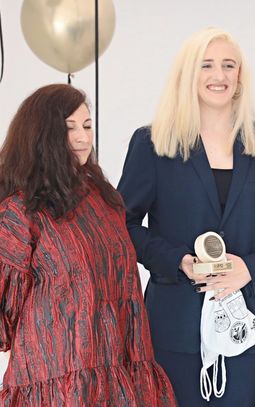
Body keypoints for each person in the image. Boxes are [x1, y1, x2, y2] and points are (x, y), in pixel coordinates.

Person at [117, 27, 255, 407]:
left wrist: (249, 269)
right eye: (206, 65)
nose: (218, 75)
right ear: (188, 73)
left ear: (240, 76)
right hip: (175, 321)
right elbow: (123, 223)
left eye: (228, 65)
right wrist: (179, 261)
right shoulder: (152, 142)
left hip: (247, 319)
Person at [0, 84, 176, 405]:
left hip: (121, 369)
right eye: (69, 128)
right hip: (57, 381)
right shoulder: (19, 211)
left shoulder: (105, 199)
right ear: (41, 135)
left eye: (87, 126)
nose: (83, 138)